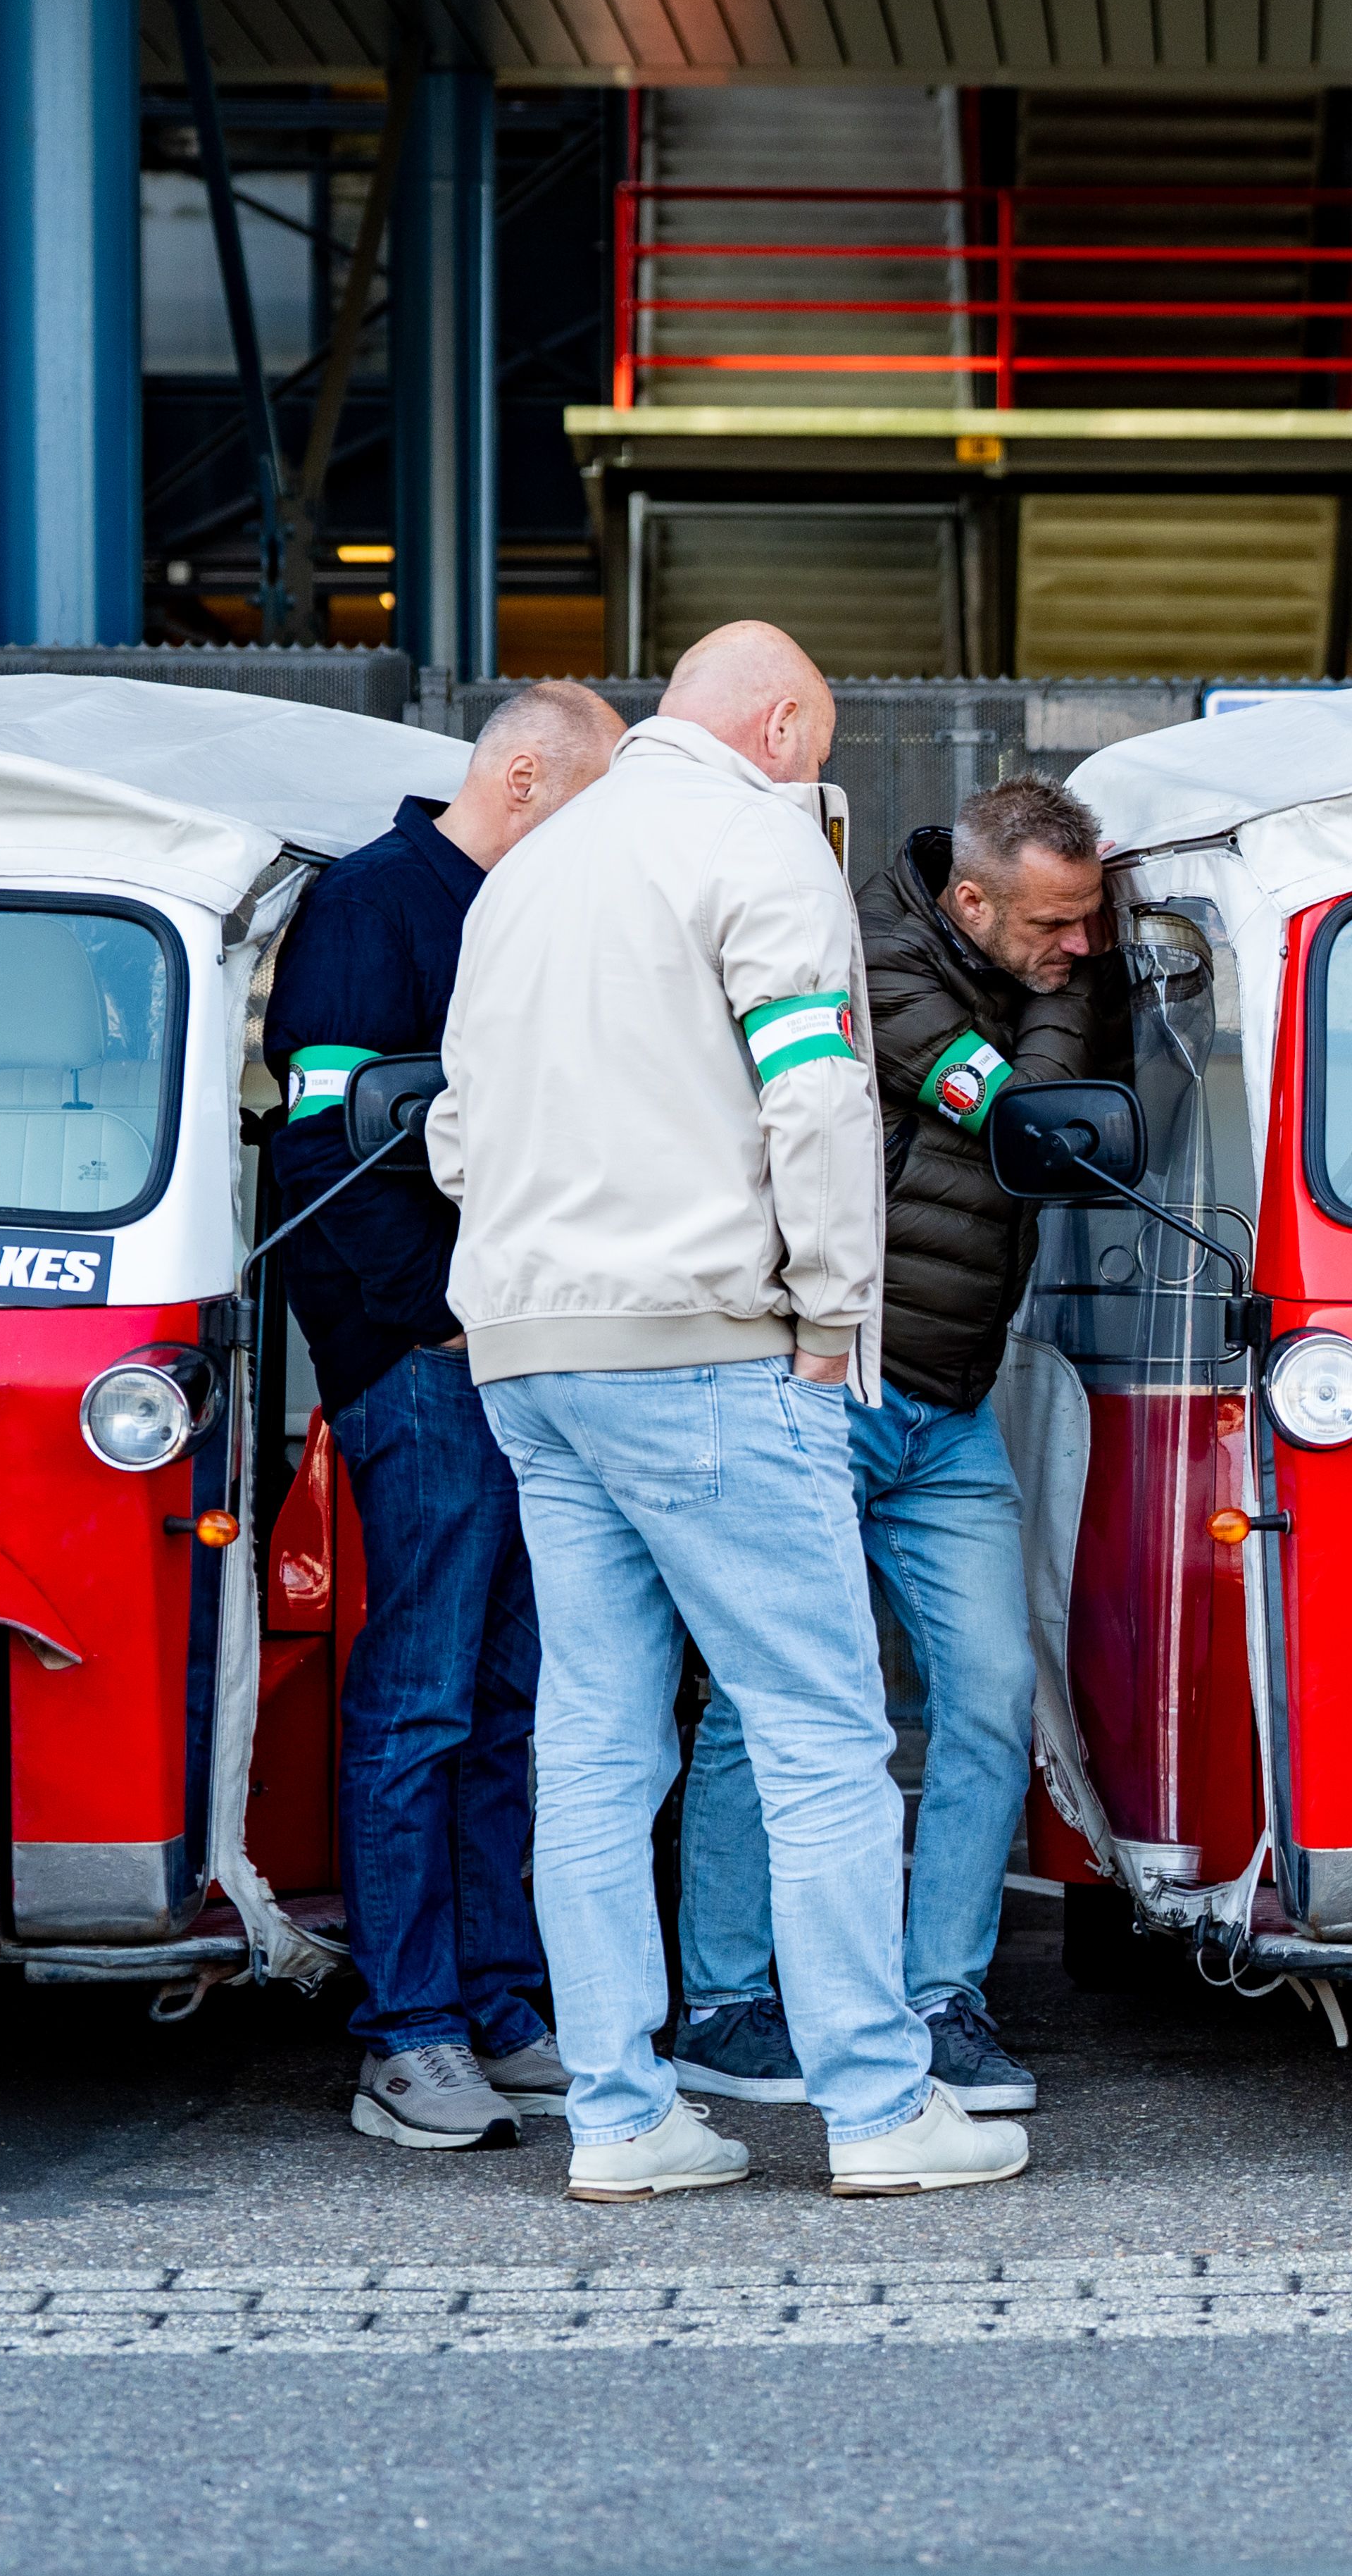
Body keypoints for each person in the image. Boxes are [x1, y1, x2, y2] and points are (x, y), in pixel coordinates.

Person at [430, 621, 1025, 2203]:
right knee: (821, 1727)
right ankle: (878, 2106)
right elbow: (817, 1092)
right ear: (776, 728)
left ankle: (621, 2118)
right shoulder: (758, 843)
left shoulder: (527, 874)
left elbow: (455, 1132)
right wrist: (834, 1309)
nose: (814, 775)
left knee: (594, 1741)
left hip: (530, 1349)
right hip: (700, 1343)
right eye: (814, 747)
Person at [671, 774, 1122, 2117]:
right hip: (829, 1390)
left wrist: (1051, 980)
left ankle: (941, 1998)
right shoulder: (868, 956)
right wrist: (1060, 1001)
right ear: (968, 899)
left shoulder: (1025, 959)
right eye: (1052, 925)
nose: (1079, 948)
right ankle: (725, 2005)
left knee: (988, 1693)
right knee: (771, 1698)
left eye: (1089, 923)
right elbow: (1039, 1124)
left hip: (951, 1406)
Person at [265, 683, 621, 2153]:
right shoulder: (375, 906)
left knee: (507, 1694)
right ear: (524, 775)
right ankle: (409, 2034)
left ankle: (498, 2004)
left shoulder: (508, 904)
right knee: (422, 1694)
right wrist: (431, 1316)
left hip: (516, 1350)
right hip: (429, 1358)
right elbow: (319, 1147)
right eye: (590, 800)